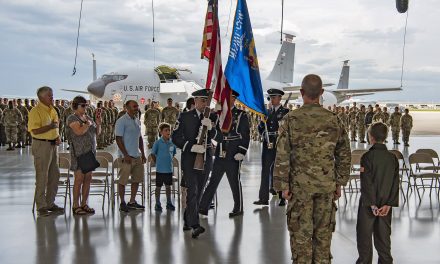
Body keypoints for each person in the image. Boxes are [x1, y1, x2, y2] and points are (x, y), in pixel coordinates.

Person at [273, 74, 351, 263]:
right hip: (326, 188)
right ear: (322, 93)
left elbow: (282, 154)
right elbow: (344, 153)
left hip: (299, 189)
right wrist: (339, 182)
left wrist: (283, 186)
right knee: (323, 239)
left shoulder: (291, 120)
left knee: (301, 239)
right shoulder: (334, 120)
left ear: (301, 93)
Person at [172, 89, 219, 238]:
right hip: (190, 159)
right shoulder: (185, 117)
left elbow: (219, 137)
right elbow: (175, 137)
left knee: (199, 192)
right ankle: (195, 225)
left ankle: (188, 218)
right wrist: (189, 146)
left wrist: (211, 128)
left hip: (206, 159)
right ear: (195, 101)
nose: (205, 104)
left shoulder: (212, 117)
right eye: (203, 100)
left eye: (207, 101)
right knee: (192, 191)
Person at [199, 90, 250, 218]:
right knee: (213, 181)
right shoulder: (218, 114)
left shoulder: (241, 114)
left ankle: (238, 208)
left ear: (234, 99)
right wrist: (209, 118)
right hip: (220, 149)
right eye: (226, 98)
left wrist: (242, 151)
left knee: (234, 181)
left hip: (234, 152)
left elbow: (245, 135)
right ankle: (203, 207)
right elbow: (209, 127)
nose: (228, 100)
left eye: (231, 98)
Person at [356, 122, 399, 264]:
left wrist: (372, 204)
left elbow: (366, 183)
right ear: (385, 137)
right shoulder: (392, 158)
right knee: (384, 240)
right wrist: (389, 204)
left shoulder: (367, 157)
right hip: (385, 205)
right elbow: (395, 183)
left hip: (369, 205)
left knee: (364, 239)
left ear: (371, 137)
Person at [28, 86, 63, 216]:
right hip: (41, 145)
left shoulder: (52, 109)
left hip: (53, 145)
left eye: (52, 95)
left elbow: (55, 126)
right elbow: (34, 130)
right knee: (42, 176)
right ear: (41, 97)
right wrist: (50, 127)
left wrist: (57, 135)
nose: (52, 98)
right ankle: (41, 206)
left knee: (55, 175)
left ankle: (50, 203)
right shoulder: (35, 111)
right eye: (50, 96)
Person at [66, 96, 102, 215]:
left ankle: (84, 203)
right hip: (79, 153)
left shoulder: (87, 118)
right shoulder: (72, 118)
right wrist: (87, 123)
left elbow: (97, 133)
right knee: (79, 179)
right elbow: (79, 131)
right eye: (83, 105)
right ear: (76, 106)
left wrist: (98, 124)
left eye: (86, 105)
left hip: (90, 152)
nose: (85, 107)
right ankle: (75, 205)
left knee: (88, 178)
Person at [254, 88, 289, 206]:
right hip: (267, 144)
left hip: (280, 144)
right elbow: (260, 127)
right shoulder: (266, 113)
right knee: (265, 170)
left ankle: (282, 197)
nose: (272, 100)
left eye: (274, 97)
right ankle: (263, 198)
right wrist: (263, 132)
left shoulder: (286, 112)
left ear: (280, 98)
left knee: (279, 171)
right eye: (270, 98)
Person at [115, 100, 146, 212]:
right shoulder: (121, 121)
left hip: (136, 155)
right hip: (125, 157)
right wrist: (125, 154)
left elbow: (140, 138)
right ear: (127, 108)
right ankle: (122, 202)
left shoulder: (137, 121)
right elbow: (118, 139)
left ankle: (132, 201)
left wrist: (142, 153)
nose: (136, 108)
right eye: (134, 106)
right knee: (123, 180)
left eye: (137, 106)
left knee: (136, 179)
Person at [151, 123, 177, 212]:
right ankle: (157, 203)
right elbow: (153, 154)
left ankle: (169, 203)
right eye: (166, 130)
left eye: (169, 130)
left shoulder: (172, 143)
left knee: (168, 187)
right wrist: (157, 162)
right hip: (160, 169)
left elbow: (173, 153)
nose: (168, 132)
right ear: (161, 132)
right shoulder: (158, 142)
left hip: (168, 169)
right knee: (158, 187)